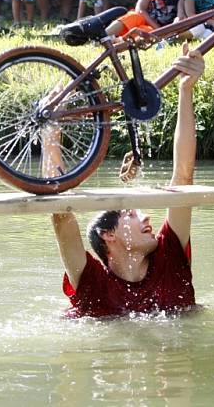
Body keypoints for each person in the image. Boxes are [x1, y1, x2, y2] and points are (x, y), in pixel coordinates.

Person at [43, 44, 204, 318]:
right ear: (109, 235)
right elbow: (61, 214)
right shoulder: (90, 282)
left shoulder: (170, 255)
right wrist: (50, 134)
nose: (146, 217)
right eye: (131, 213)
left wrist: (186, 90)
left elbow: (183, 177)